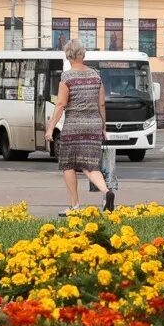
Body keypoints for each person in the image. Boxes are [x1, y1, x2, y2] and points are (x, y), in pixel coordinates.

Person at [46, 42, 112, 211]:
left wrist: (51, 127)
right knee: (90, 165)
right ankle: (106, 191)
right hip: (94, 125)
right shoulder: (96, 76)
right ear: (83, 55)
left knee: (68, 165)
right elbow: (102, 104)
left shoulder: (67, 77)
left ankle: (75, 205)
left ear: (68, 57)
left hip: (74, 126)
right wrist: (103, 127)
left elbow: (60, 104)